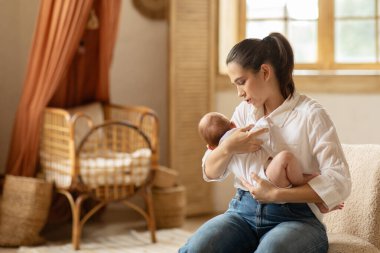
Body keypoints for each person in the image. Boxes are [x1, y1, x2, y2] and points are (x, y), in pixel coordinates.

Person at [179, 32, 351, 253]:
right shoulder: (243, 113)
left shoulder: (311, 114)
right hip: (242, 213)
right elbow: (210, 171)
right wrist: (227, 147)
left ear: (265, 72)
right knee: (197, 248)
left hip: (296, 218)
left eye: (241, 82)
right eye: (235, 85)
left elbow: (340, 181)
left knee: (271, 250)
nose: (239, 93)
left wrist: (277, 194)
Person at [198, 111, 344, 213]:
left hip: (258, 182)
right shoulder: (241, 133)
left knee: (284, 160)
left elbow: (208, 169)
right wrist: (266, 119)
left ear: (211, 146)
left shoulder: (217, 152)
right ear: (233, 125)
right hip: (266, 178)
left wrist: (222, 149)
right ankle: (309, 186)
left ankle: (316, 196)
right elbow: (261, 128)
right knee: (286, 157)